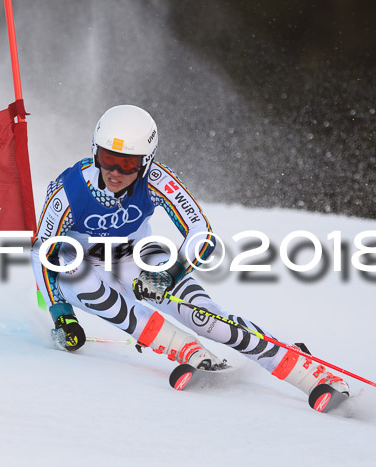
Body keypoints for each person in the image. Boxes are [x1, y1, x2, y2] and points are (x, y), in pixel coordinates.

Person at [30, 105, 349, 400]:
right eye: (105, 157)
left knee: (206, 319)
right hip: (83, 265)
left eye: (126, 163)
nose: (114, 171)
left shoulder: (157, 181)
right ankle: (184, 348)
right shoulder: (69, 191)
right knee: (86, 284)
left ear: (146, 161)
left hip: (134, 257)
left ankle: (307, 372)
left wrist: (170, 274)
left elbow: (201, 232)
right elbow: (42, 253)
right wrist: (61, 315)